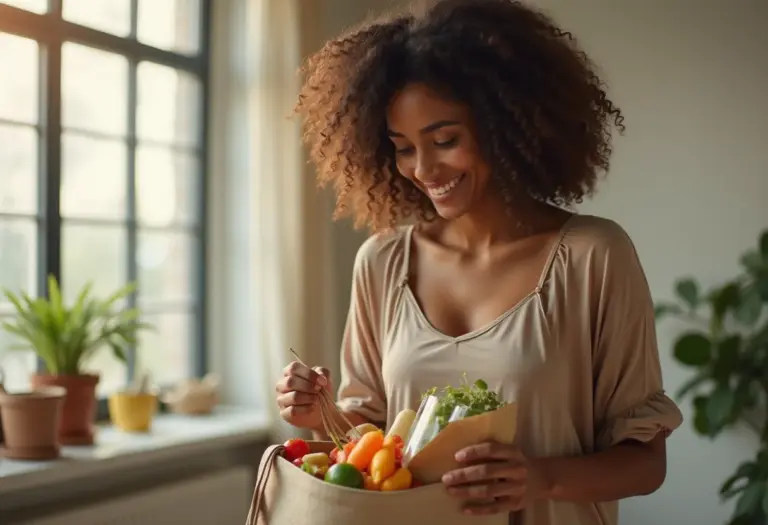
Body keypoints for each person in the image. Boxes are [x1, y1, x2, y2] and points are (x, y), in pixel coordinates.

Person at [274, 0, 683, 523]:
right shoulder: (381, 262)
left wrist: (541, 477)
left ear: (504, 124)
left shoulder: (593, 257)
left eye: (445, 140)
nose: (423, 169)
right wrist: (319, 414)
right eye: (402, 147)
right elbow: (370, 440)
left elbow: (646, 463)